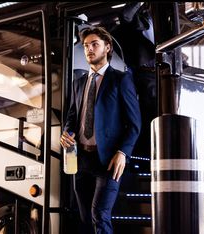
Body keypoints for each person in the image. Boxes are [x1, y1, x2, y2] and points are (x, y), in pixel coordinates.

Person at [60, 26, 141, 234]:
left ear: (107, 48)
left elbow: (134, 124)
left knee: (100, 214)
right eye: (86, 45)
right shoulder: (78, 83)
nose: (89, 49)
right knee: (85, 218)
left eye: (95, 44)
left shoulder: (121, 80)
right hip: (80, 160)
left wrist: (123, 153)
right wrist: (67, 134)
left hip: (109, 161)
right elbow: (72, 118)